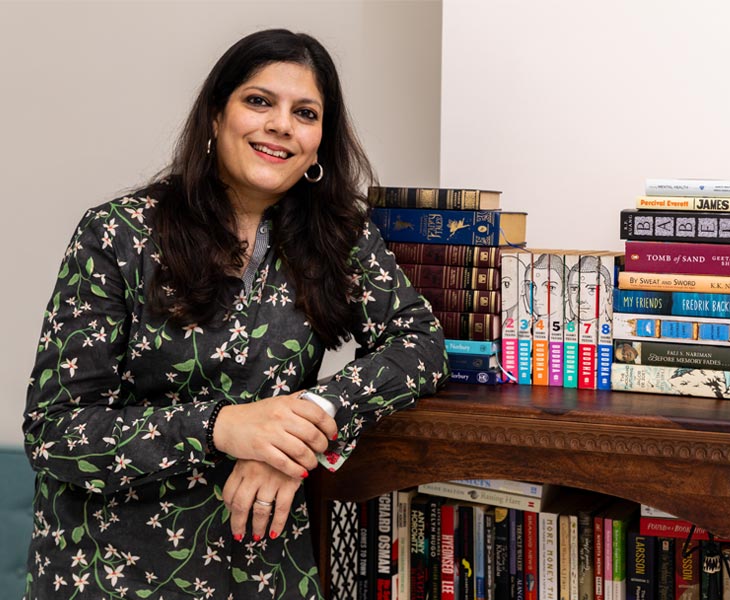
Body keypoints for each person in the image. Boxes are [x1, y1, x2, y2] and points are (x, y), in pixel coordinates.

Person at [22, 29, 449, 600]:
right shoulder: (116, 233)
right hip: (113, 570)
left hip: (265, 570)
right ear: (216, 116)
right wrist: (224, 428)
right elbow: (55, 434)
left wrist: (303, 427)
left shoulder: (340, 237)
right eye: (258, 101)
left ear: (319, 143)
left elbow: (420, 343)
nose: (281, 125)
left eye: (305, 112)